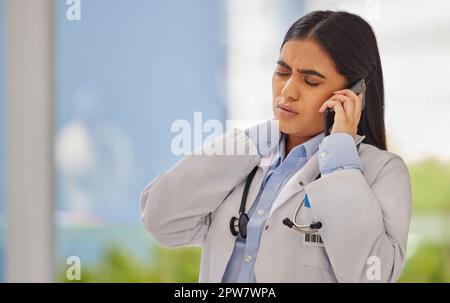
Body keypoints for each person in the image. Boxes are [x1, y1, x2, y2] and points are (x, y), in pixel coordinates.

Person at [140, 10, 412, 282]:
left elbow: (373, 276)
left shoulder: (382, 172)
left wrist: (340, 162)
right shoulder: (244, 157)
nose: (287, 91)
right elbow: (160, 221)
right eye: (282, 72)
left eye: (311, 80)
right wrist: (248, 142)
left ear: (355, 93)